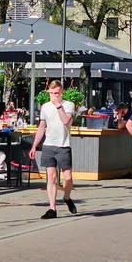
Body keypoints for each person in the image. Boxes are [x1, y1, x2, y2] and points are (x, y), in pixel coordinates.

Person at [29, 80, 77, 219]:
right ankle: (52, 208)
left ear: (61, 92)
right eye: (51, 93)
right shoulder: (45, 107)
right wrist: (34, 145)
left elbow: (65, 121)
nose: (54, 96)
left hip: (63, 145)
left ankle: (67, 197)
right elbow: (42, 126)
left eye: (56, 93)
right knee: (51, 177)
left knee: (68, 177)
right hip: (49, 145)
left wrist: (58, 106)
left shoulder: (68, 105)